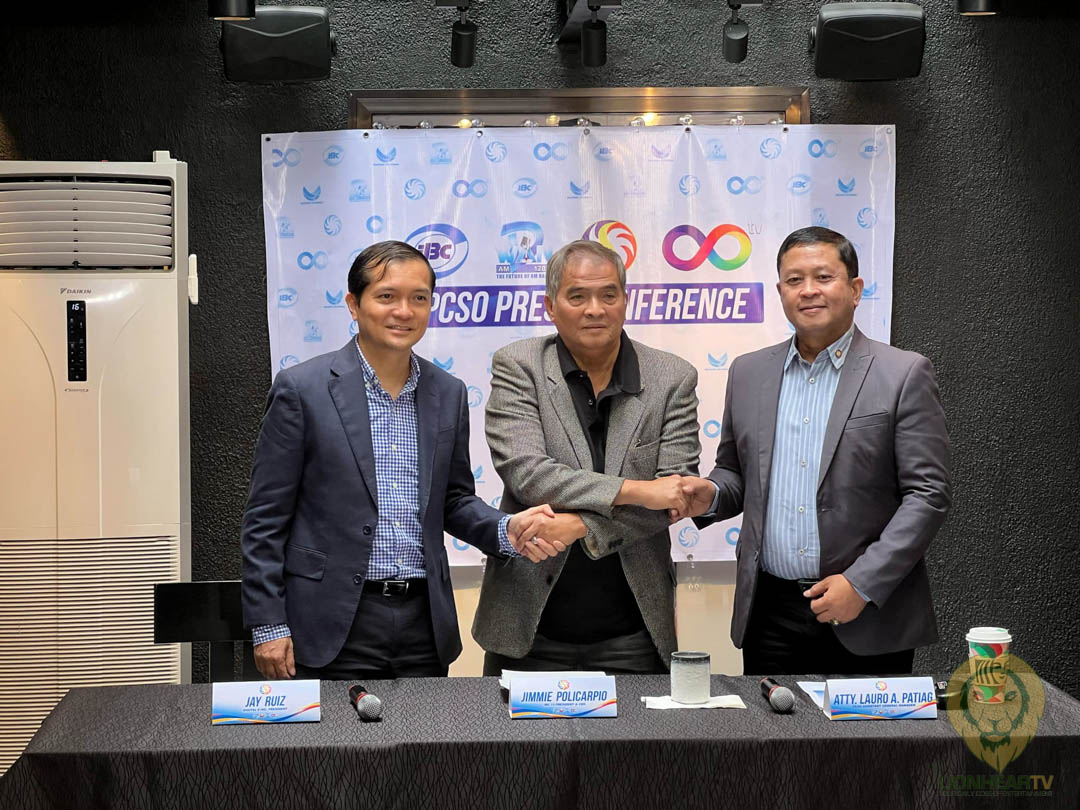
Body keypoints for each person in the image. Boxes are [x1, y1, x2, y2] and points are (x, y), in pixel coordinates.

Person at [241, 240, 560, 681]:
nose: (404, 311)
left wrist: (506, 529)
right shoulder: (302, 389)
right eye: (386, 296)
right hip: (329, 620)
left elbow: (454, 501)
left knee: (423, 730)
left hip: (423, 623)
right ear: (353, 304)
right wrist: (268, 624)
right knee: (335, 732)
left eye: (419, 298)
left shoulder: (447, 392)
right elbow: (265, 519)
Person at [681, 226, 951, 676]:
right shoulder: (749, 373)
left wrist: (861, 584)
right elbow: (734, 473)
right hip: (770, 613)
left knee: (863, 728)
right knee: (774, 724)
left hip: (866, 613)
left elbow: (928, 495)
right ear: (780, 292)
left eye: (823, 277)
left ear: (855, 289)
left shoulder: (903, 373)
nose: (808, 290)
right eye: (794, 280)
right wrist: (709, 495)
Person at [473, 239, 701, 675]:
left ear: (626, 301)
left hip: (633, 629)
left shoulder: (672, 378)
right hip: (527, 627)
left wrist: (580, 525)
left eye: (608, 295)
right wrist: (638, 490)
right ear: (550, 306)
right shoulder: (518, 366)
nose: (594, 309)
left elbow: (674, 496)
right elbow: (529, 475)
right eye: (577, 296)